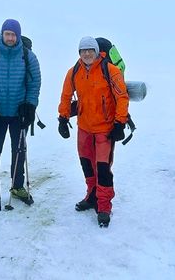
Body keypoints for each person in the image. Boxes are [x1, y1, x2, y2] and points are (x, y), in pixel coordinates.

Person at [57, 36, 129, 227]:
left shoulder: (110, 71)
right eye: (83, 50)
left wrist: (119, 123)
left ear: (97, 52)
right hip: (84, 128)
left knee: (103, 169)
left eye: (90, 50)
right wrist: (63, 119)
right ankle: (92, 196)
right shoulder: (73, 72)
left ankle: (104, 206)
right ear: (79, 53)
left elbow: (122, 97)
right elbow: (66, 96)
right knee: (87, 165)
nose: (87, 53)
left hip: (105, 129)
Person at [0, 19, 41, 206]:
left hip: (19, 113)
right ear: (2, 35)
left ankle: (17, 186)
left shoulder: (28, 57)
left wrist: (30, 106)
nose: (10, 37)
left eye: (13, 34)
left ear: (18, 36)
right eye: (7, 34)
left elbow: (34, 84)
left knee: (19, 151)